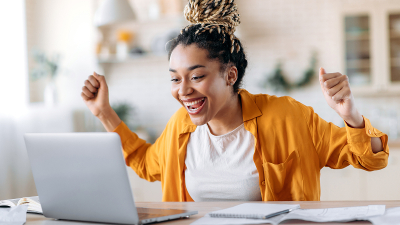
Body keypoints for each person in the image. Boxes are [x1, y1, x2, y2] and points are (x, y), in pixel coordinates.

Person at [81, 0, 388, 202]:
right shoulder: (181, 127)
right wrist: (105, 113)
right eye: (175, 78)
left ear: (229, 75)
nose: (183, 90)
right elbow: (147, 164)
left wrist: (351, 115)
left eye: (196, 76)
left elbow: (370, 158)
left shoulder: (288, 116)